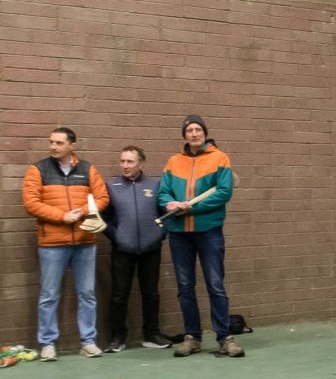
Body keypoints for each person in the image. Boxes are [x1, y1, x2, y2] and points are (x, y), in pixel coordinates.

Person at [157, 115, 243, 358]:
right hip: (179, 234)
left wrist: (191, 208)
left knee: (215, 285)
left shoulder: (220, 158)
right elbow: (162, 194)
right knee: (185, 287)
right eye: (189, 130)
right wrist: (170, 203)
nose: (194, 134)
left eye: (198, 129)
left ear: (204, 133)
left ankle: (225, 338)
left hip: (209, 232)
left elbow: (224, 193)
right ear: (184, 135)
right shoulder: (173, 162)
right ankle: (192, 337)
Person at [21, 127, 110, 360]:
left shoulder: (88, 169)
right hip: (52, 243)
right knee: (49, 294)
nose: (53, 147)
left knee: (87, 294)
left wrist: (84, 211)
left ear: (72, 145)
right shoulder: (37, 169)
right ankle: (48, 343)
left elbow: (102, 198)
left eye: (59, 143)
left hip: (85, 241)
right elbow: (31, 203)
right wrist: (62, 216)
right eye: (51, 142)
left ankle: (88, 341)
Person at [101, 146, 170, 352]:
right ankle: (118, 337)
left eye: (130, 162)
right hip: (122, 250)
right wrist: (116, 236)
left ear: (141, 163)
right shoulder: (111, 186)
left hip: (151, 249)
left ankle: (151, 334)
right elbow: (104, 218)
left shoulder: (155, 185)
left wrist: (160, 234)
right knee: (119, 295)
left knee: (151, 293)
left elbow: (165, 214)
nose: (125, 166)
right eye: (122, 161)